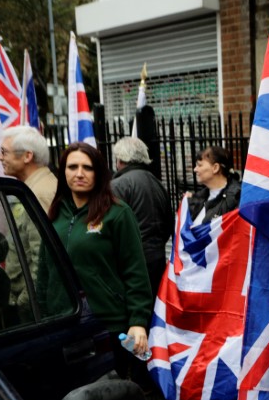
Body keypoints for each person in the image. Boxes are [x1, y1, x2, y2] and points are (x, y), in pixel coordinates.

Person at [44, 142, 153, 380]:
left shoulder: (117, 213)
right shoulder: (54, 215)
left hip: (106, 326)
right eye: (72, 166)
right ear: (63, 172)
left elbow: (135, 271)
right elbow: (45, 269)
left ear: (99, 173)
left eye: (87, 167)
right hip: (62, 324)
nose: (79, 173)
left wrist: (138, 321)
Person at [0, 126, 57, 322]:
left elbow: (43, 259)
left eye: (4, 152)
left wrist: (23, 302)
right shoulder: (31, 188)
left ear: (27, 156)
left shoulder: (38, 194)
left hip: (31, 310)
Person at [111, 137, 174, 299]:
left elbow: (112, 227)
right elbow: (169, 223)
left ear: (120, 159)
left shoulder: (118, 185)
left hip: (131, 264)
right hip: (157, 258)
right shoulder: (157, 183)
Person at [187, 146, 241, 225]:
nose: (195, 169)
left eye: (199, 165)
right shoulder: (199, 197)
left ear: (215, 168)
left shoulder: (236, 198)